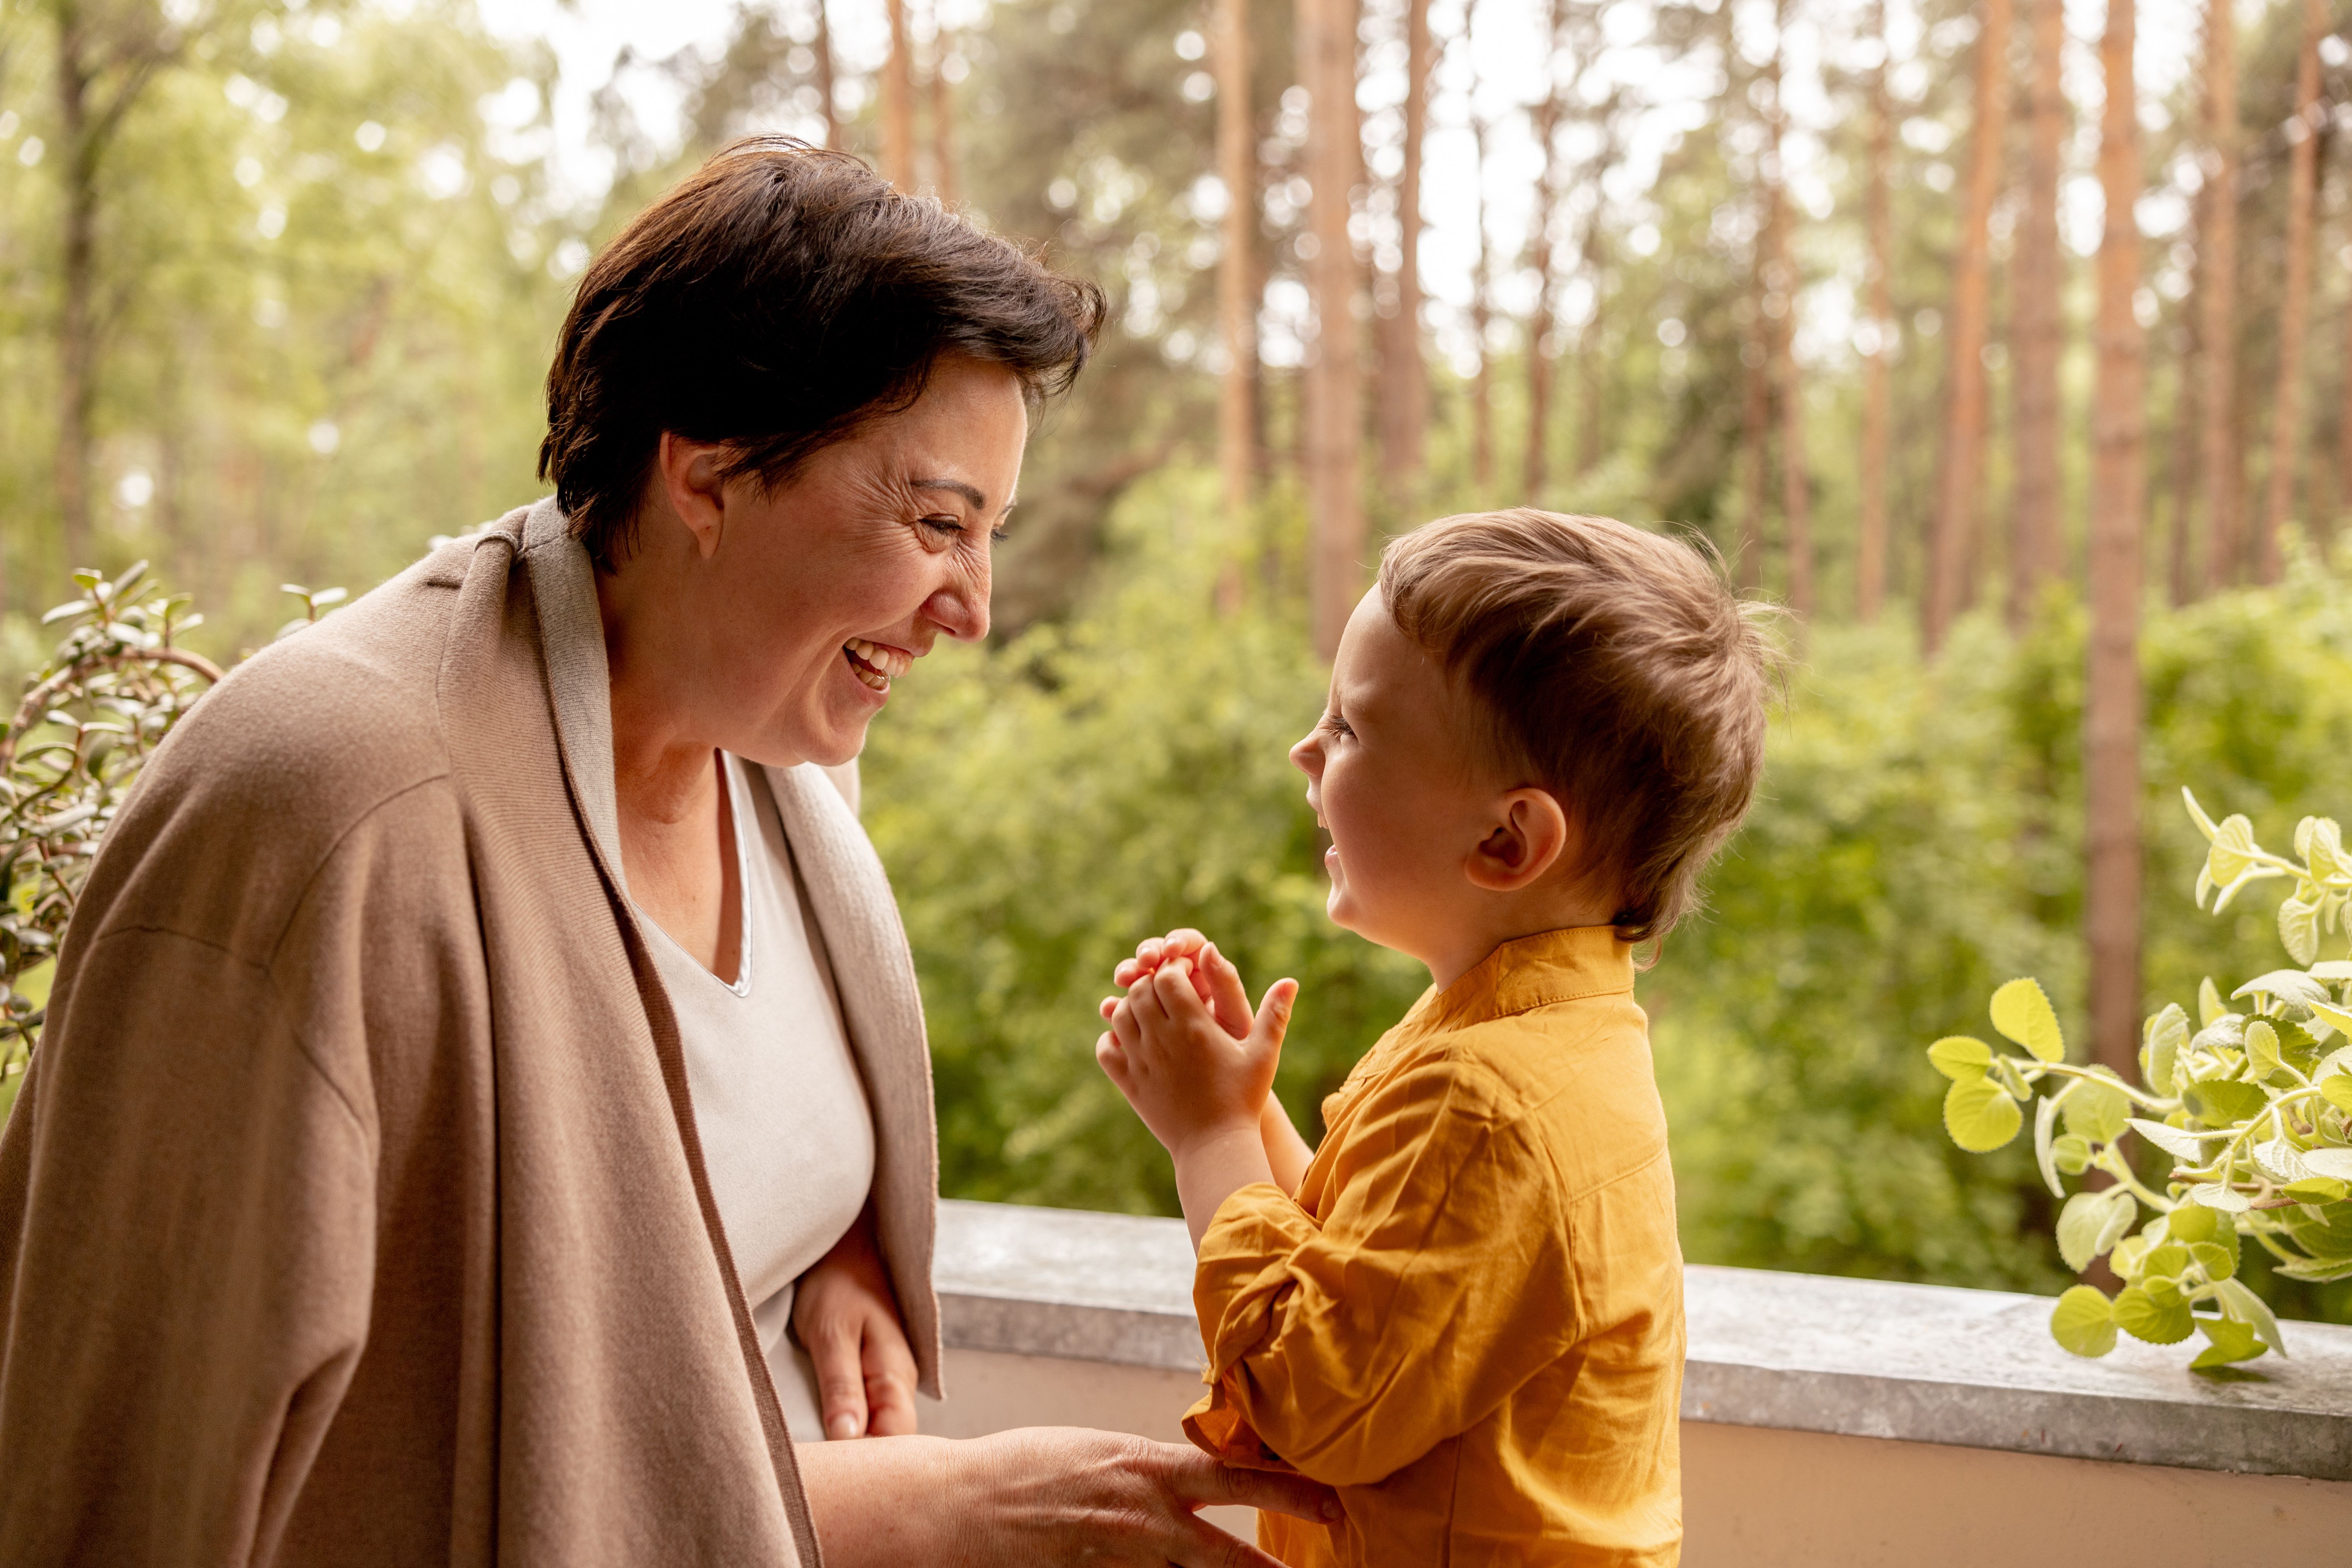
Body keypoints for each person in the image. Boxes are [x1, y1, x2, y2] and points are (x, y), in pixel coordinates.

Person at [0, 138, 1334, 1566]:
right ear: (706, 476)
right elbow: (129, 1488)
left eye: (990, 532)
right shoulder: (328, 814)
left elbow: (658, 1145)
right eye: (940, 523)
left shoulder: (771, 753)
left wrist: (831, 1231)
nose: (974, 610)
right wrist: (927, 1505)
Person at [1093, 509, 1780, 1565]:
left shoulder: (1487, 1097)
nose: (1304, 750)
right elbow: (1378, 1283)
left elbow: (1311, 1393)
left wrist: (1206, 1139)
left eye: (1352, 729)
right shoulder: (1554, 1031)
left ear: (1507, 839)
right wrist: (1241, 1103)